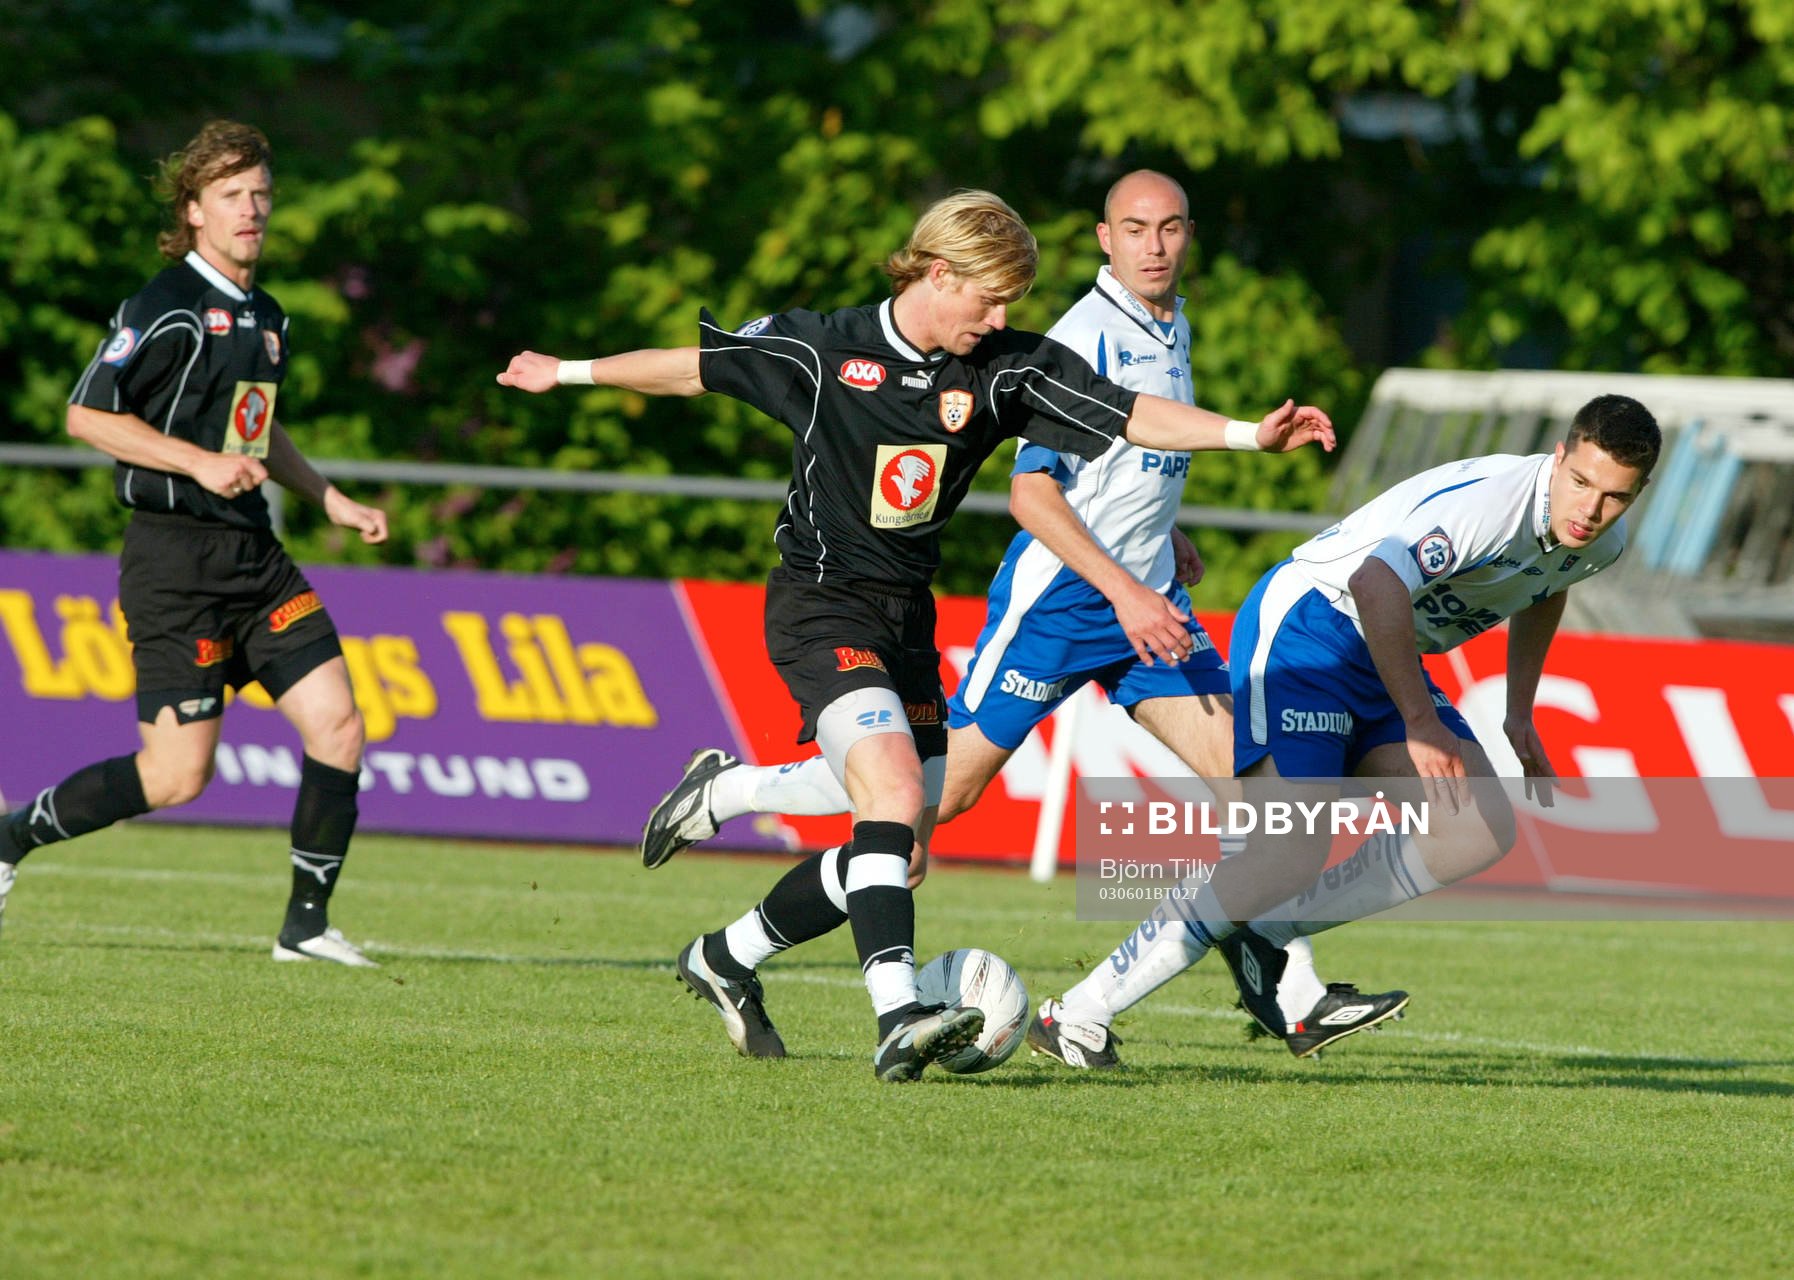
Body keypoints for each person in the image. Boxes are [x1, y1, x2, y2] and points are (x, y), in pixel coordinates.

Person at [498, 189, 1335, 1081]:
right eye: (990, 298)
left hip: (908, 616)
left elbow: (1129, 412)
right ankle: (900, 1015)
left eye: (1012, 301)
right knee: (893, 791)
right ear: (939, 274)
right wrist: (571, 372)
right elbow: (693, 366)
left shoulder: (1004, 369)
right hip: (820, 604)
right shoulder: (822, 347)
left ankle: (727, 948)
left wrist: (1250, 435)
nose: (1002, 317)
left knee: (901, 846)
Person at [1045, 394, 1661, 1048]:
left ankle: (1272, 928)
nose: (1591, 510)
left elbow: (1549, 583)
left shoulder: (1600, 541)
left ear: (1639, 492)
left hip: (1384, 650)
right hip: (1312, 626)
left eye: (1615, 497)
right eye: (1581, 483)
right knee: (1286, 850)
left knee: (1477, 825)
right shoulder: (1491, 504)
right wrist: (1421, 723)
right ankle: (1078, 1013)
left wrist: (1517, 712)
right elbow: (1374, 583)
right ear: (1559, 456)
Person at [0, 121, 389, 966]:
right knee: (177, 778)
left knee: (340, 725)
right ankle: (8, 838)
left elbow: (255, 434)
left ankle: (306, 928)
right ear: (194, 210)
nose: (251, 210)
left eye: (260, 194)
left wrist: (329, 497)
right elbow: (86, 414)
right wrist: (198, 464)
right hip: (174, 563)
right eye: (231, 196)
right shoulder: (165, 306)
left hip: (255, 557)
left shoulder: (265, 315)